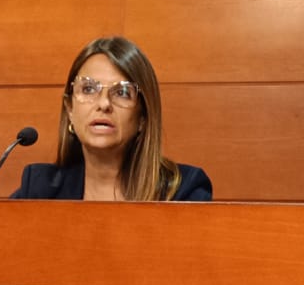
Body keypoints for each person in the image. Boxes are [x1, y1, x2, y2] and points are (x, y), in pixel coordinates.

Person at [11, 36, 211, 201]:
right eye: (88, 89)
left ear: (143, 118)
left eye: (122, 92)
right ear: (70, 109)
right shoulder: (40, 190)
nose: (104, 103)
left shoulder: (182, 192)